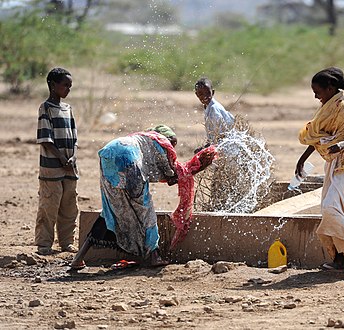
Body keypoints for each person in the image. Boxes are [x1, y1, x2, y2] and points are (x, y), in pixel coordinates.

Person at [70, 125, 216, 270]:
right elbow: (171, 176)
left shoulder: (140, 138)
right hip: (129, 161)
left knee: (110, 209)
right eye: (173, 144)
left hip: (108, 155)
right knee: (145, 210)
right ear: (167, 138)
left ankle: (78, 259)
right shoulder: (161, 142)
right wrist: (195, 167)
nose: (172, 150)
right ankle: (154, 256)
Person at [295, 67, 344, 271]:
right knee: (330, 210)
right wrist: (302, 159)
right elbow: (319, 136)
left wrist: (341, 145)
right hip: (332, 162)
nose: (315, 96)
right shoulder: (326, 108)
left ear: (330, 88)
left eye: (317, 91)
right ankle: (340, 259)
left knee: (333, 208)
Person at [35, 67, 79, 256]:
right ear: (53, 85)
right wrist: (61, 158)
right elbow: (46, 139)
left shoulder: (68, 109)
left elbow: (74, 138)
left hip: (70, 166)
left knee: (69, 205)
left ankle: (66, 242)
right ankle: (44, 244)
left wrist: (72, 157)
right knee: (49, 205)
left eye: (70, 86)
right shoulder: (45, 108)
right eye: (65, 85)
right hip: (52, 167)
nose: (68, 89)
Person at [194, 77, 234, 153]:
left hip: (227, 148)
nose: (205, 96)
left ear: (213, 92)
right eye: (201, 94)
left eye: (208, 93)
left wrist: (205, 148)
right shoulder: (208, 107)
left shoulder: (213, 109)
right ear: (197, 95)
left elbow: (222, 136)